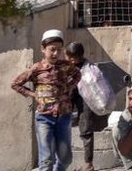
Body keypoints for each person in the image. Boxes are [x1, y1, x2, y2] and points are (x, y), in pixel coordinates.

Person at [11, 29, 81, 171]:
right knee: (46, 160)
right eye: (52, 50)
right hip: (44, 118)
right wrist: (33, 95)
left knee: (66, 158)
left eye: (59, 50)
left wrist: (69, 87)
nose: (55, 53)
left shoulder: (66, 66)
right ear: (43, 49)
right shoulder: (36, 69)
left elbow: (78, 75)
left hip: (64, 116)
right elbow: (16, 84)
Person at [66, 42, 108, 171]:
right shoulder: (88, 66)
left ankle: (88, 164)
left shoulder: (85, 69)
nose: (66, 59)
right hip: (76, 103)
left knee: (86, 132)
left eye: (67, 57)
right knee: (82, 132)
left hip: (85, 104)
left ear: (73, 57)